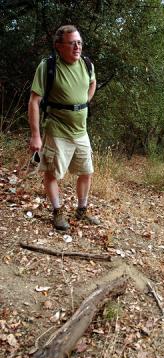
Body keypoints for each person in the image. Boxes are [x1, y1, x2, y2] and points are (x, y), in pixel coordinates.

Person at [28, 25, 99, 230]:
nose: (77, 47)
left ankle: (81, 211)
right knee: (52, 174)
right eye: (72, 43)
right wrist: (35, 135)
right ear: (59, 46)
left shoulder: (86, 64)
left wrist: (84, 101)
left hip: (81, 131)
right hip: (57, 130)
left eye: (79, 43)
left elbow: (93, 83)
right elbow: (34, 101)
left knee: (86, 172)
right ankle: (57, 212)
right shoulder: (48, 66)